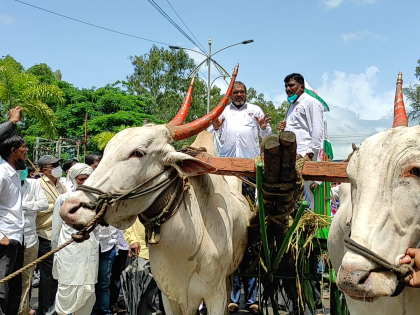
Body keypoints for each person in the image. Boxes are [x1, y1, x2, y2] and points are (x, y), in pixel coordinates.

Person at [209, 81, 272, 314]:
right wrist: (215, 127)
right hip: (226, 174)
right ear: (229, 94)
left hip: (249, 174)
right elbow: (212, 138)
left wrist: (264, 127)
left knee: (249, 233)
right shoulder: (221, 112)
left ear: (247, 94)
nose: (238, 95)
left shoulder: (255, 110)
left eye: (241, 92)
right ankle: (232, 296)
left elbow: (267, 136)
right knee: (229, 233)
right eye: (235, 92)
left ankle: (253, 297)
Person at [278, 73, 326, 315]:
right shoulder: (292, 106)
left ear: (302, 85)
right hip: (290, 157)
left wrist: (310, 155)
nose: (288, 88)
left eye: (292, 85)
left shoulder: (310, 102)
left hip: (304, 160)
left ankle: (301, 225)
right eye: (286, 86)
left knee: (303, 205)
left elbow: (317, 130)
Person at [52, 163, 98, 315]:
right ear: (73, 179)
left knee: (88, 289)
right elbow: (56, 229)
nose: (85, 182)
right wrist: (55, 253)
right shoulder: (64, 198)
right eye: (81, 179)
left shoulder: (97, 199)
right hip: (68, 250)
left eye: (88, 178)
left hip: (90, 249)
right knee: (67, 288)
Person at [0, 134, 28, 315]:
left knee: (15, 286)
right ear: (13, 151)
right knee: (2, 287)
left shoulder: (15, 174)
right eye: (23, 147)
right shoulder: (2, 174)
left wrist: (21, 238)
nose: (26, 151)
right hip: (5, 237)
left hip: (16, 236)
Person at [36, 155, 68, 315]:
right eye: (53, 165)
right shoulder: (38, 185)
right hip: (46, 234)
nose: (57, 167)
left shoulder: (61, 184)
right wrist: (56, 206)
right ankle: (48, 310)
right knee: (48, 277)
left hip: (61, 235)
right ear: (44, 170)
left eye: (58, 164)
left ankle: (47, 309)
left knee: (57, 275)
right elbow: (37, 210)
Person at [18, 168, 48, 315]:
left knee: (26, 279)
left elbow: (43, 204)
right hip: (9, 239)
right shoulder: (6, 182)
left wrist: (24, 206)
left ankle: (22, 310)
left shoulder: (33, 184)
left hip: (30, 238)